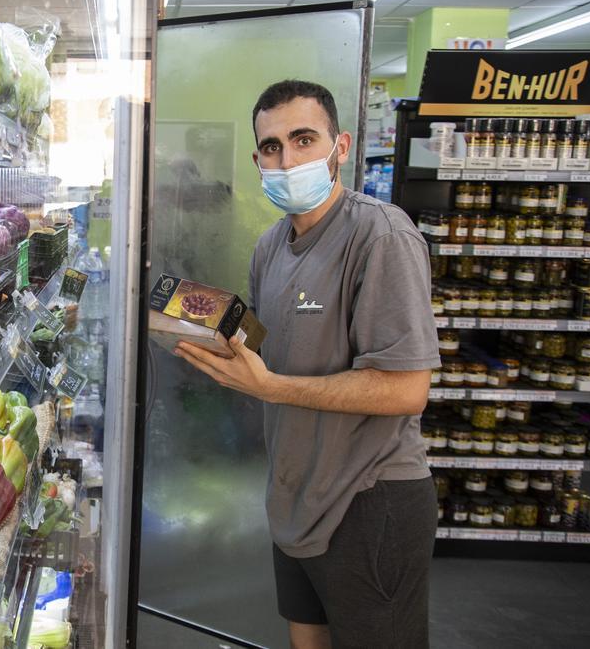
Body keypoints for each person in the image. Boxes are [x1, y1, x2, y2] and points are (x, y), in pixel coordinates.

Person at [174, 80, 440, 649]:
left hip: (370, 500)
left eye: (303, 139)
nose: (287, 159)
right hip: (297, 495)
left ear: (339, 145)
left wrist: (270, 388)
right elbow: (269, 344)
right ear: (257, 160)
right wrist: (205, 324)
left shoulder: (381, 235)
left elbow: (406, 389)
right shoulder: (270, 246)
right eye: (272, 147)